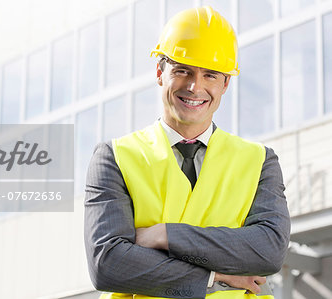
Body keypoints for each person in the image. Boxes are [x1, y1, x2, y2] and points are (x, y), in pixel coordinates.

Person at [84, 6, 290, 299]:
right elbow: (108, 264)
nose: (195, 87)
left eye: (210, 75)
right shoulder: (114, 157)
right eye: (182, 71)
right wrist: (214, 276)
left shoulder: (259, 161)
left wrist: (164, 235)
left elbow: (268, 250)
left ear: (226, 83)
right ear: (160, 72)